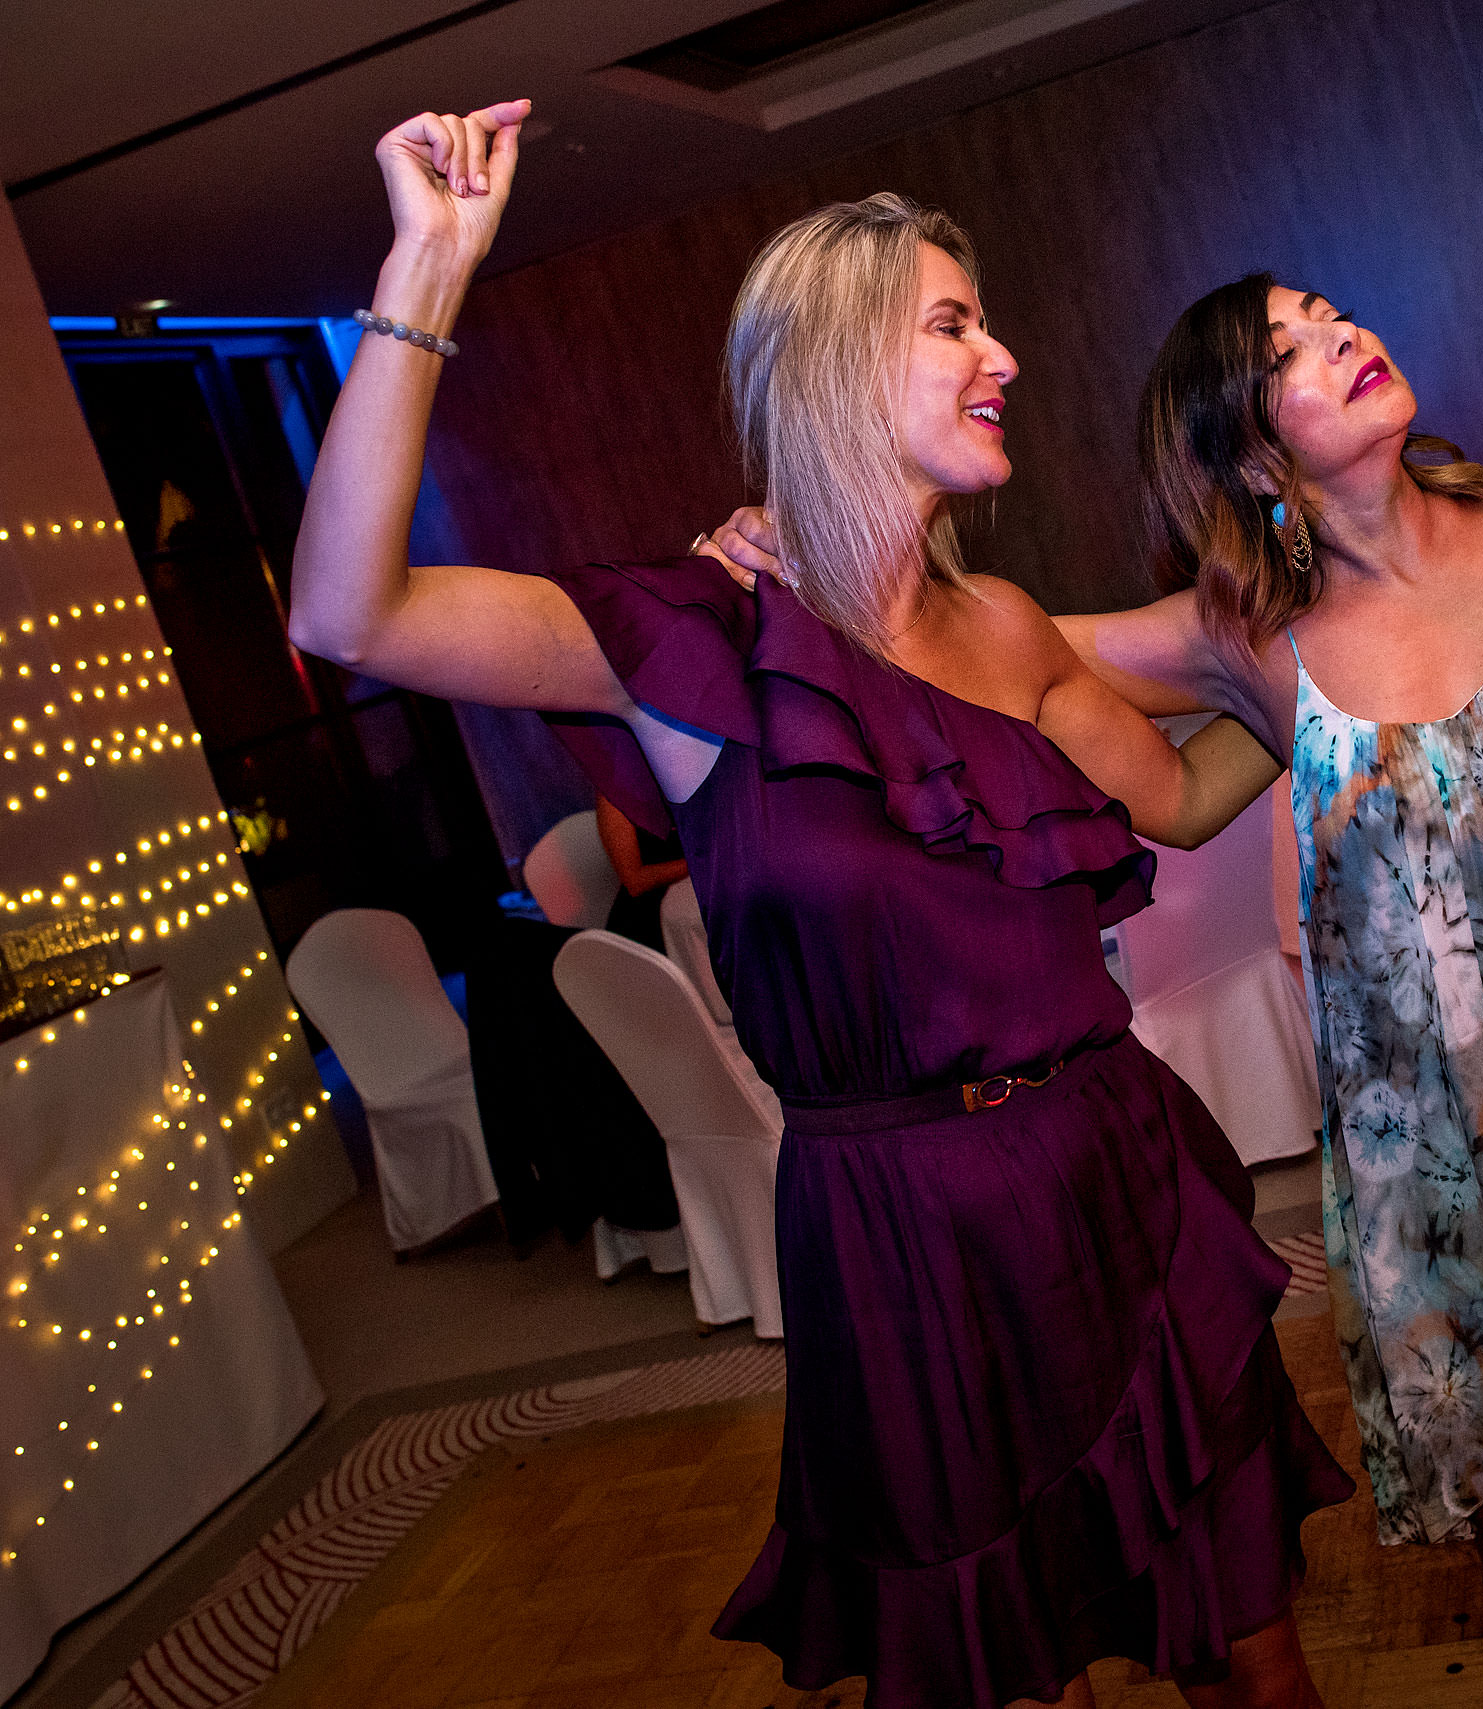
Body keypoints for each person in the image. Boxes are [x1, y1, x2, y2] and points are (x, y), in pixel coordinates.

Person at [715, 84, 1483, 1709]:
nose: (1342, 335)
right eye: (1292, 344)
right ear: (1246, 450)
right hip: (1440, 1185)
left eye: (1337, 312)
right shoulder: (1239, 639)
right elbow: (957, 636)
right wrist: (795, 562)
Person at [287, 97, 1352, 1709]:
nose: (1002, 356)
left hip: (1114, 1169)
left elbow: (1188, 791)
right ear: (840, 361)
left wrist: (1325, 696)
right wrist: (429, 270)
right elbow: (347, 609)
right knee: (976, 1660)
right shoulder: (702, 641)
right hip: (901, 1228)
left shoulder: (1004, 623)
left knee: (1248, 1643)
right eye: (953, 324)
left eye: (989, 321)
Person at [594, 794, 685, 953]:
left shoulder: (687, 780)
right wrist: (700, 864)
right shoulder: (613, 795)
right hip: (647, 922)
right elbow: (635, 881)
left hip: (692, 905)